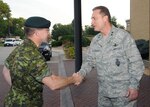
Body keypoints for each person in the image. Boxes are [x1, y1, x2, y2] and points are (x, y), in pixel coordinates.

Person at [73, 6, 144, 107]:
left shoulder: (123, 36)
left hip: (123, 94)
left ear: (105, 18)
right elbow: (89, 61)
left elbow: (136, 63)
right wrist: (80, 74)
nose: (92, 22)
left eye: (94, 18)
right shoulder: (95, 40)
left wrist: (134, 86)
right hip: (104, 94)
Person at [2, 16, 77, 107]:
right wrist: (73, 79)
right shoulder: (33, 55)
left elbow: (5, 70)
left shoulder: (20, 48)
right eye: (47, 30)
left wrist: (19, 89)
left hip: (11, 101)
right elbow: (53, 84)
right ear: (37, 33)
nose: (49, 33)